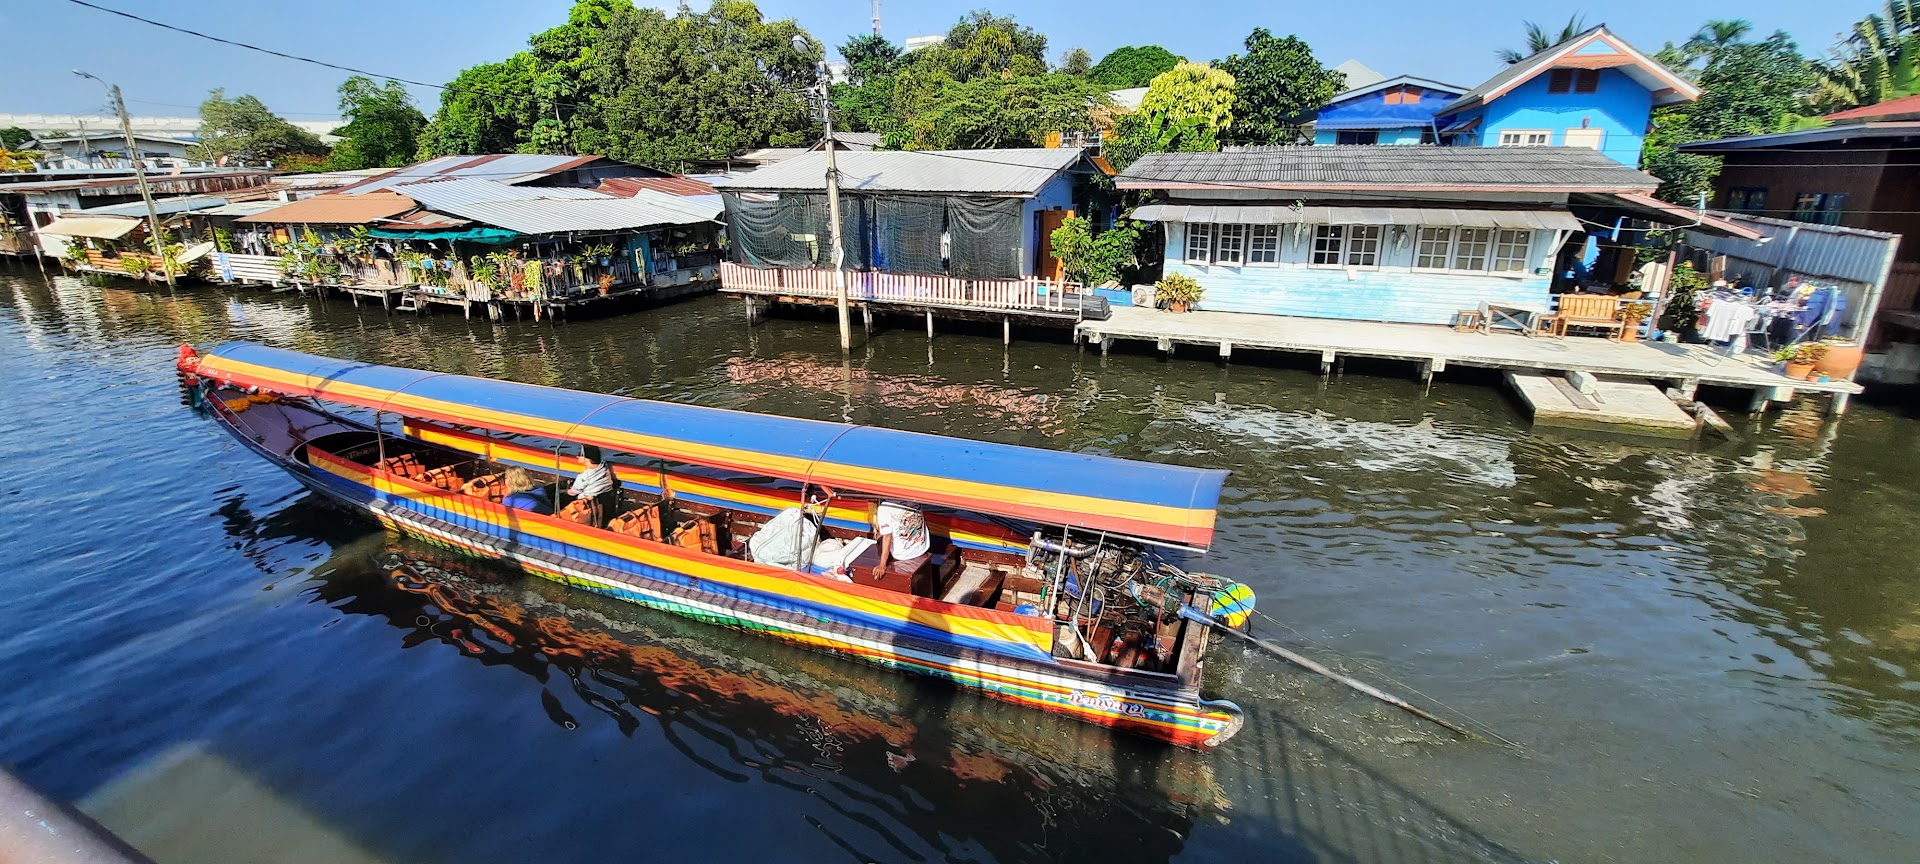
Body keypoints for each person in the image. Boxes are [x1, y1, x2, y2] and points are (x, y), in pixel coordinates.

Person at [873, 500, 931, 576]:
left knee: (880, 538)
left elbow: (887, 537)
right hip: (922, 548)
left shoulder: (885, 508)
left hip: (902, 555)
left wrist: (882, 565)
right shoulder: (915, 499)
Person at [568, 445, 616, 527]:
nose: (577, 456)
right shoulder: (604, 466)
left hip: (588, 506)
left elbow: (572, 492)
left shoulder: (583, 477)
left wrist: (566, 491)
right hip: (607, 500)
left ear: (587, 459)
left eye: (580, 454)